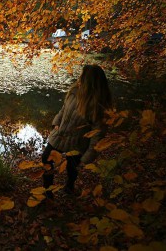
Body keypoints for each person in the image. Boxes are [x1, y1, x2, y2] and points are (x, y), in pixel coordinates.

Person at [42, 65, 113, 196]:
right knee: (46, 159)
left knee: (72, 167)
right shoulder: (74, 91)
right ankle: (48, 192)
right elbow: (63, 110)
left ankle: (69, 187)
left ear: (90, 82)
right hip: (60, 135)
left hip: (77, 143)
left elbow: (97, 135)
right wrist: (56, 122)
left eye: (83, 77)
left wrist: (87, 157)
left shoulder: (98, 105)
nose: (79, 78)